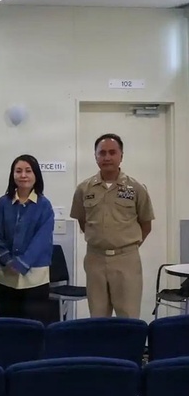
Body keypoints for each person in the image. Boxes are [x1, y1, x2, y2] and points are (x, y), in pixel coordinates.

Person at [71, 133, 154, 318]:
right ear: (95, 156)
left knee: (128, 315)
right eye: (102, 153)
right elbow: (82, 220)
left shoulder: (136, 189)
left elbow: (146, 224)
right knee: (98, 316)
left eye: (112, 152)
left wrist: (124, 245)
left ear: (121, 156)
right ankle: (101, 349)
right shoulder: (84, 189)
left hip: (126, 261)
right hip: (95, 259)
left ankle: (129, 348)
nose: (107, 157)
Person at [0, 155, 55, 324]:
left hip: (35, 277)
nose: (23, 175)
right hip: (6, 275)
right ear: (13, 175)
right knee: (9, 326)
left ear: (36, 175)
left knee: (35, 327)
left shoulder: (44, 205)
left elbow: (42, 240)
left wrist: (22, 263)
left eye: (28, 171)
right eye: (18, 171)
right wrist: (7, 259)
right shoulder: (3, 203)